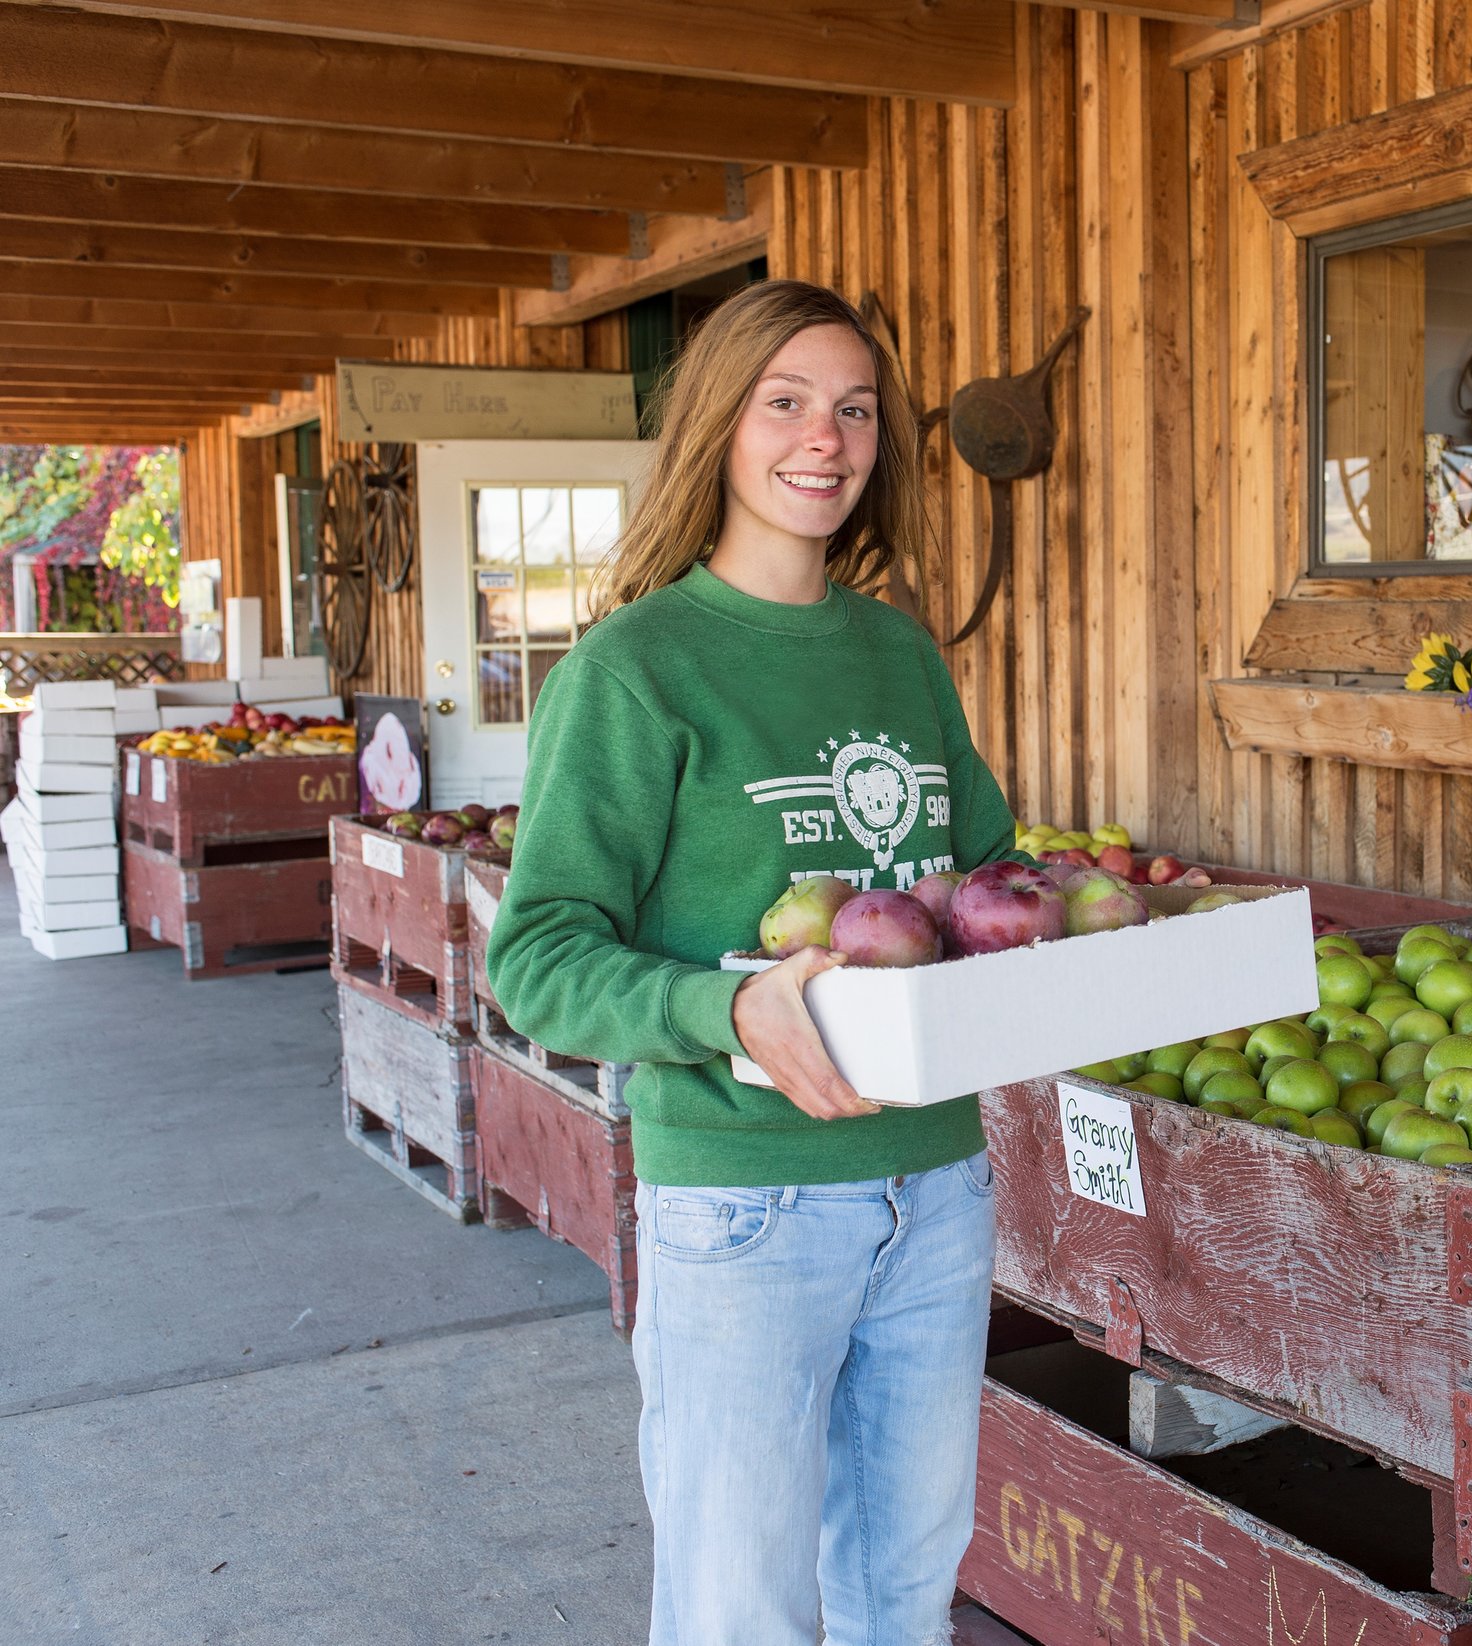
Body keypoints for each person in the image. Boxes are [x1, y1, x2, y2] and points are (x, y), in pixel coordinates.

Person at [488, 279, 1022, 1646]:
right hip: (744, 1204)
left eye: (853, 409)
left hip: (937, 1191)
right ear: (720, 424)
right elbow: (538, 957)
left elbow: (981, 891)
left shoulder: (902, 655)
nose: (824, 439)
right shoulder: (635, 669)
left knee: (902, 1599)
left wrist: (1087, 951)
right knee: (743, 1615)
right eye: (785, 402)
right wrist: (726, 1007)